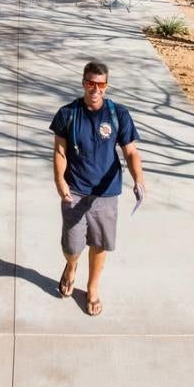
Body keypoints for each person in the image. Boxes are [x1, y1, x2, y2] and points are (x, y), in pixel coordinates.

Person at [50, 61, 145, 316]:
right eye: (91, 83)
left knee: (100, 243)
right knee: (71, 247)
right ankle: (71, 267)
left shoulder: (118, 114)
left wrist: (138, 179)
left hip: (106, 192)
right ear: (83, 82)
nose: (95, 89)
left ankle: (92, 287)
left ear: (106, 86)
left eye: (101, 84)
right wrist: (60, 180)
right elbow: (60, 151)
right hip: (75, 189)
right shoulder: (67, 114)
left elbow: (131, 152)